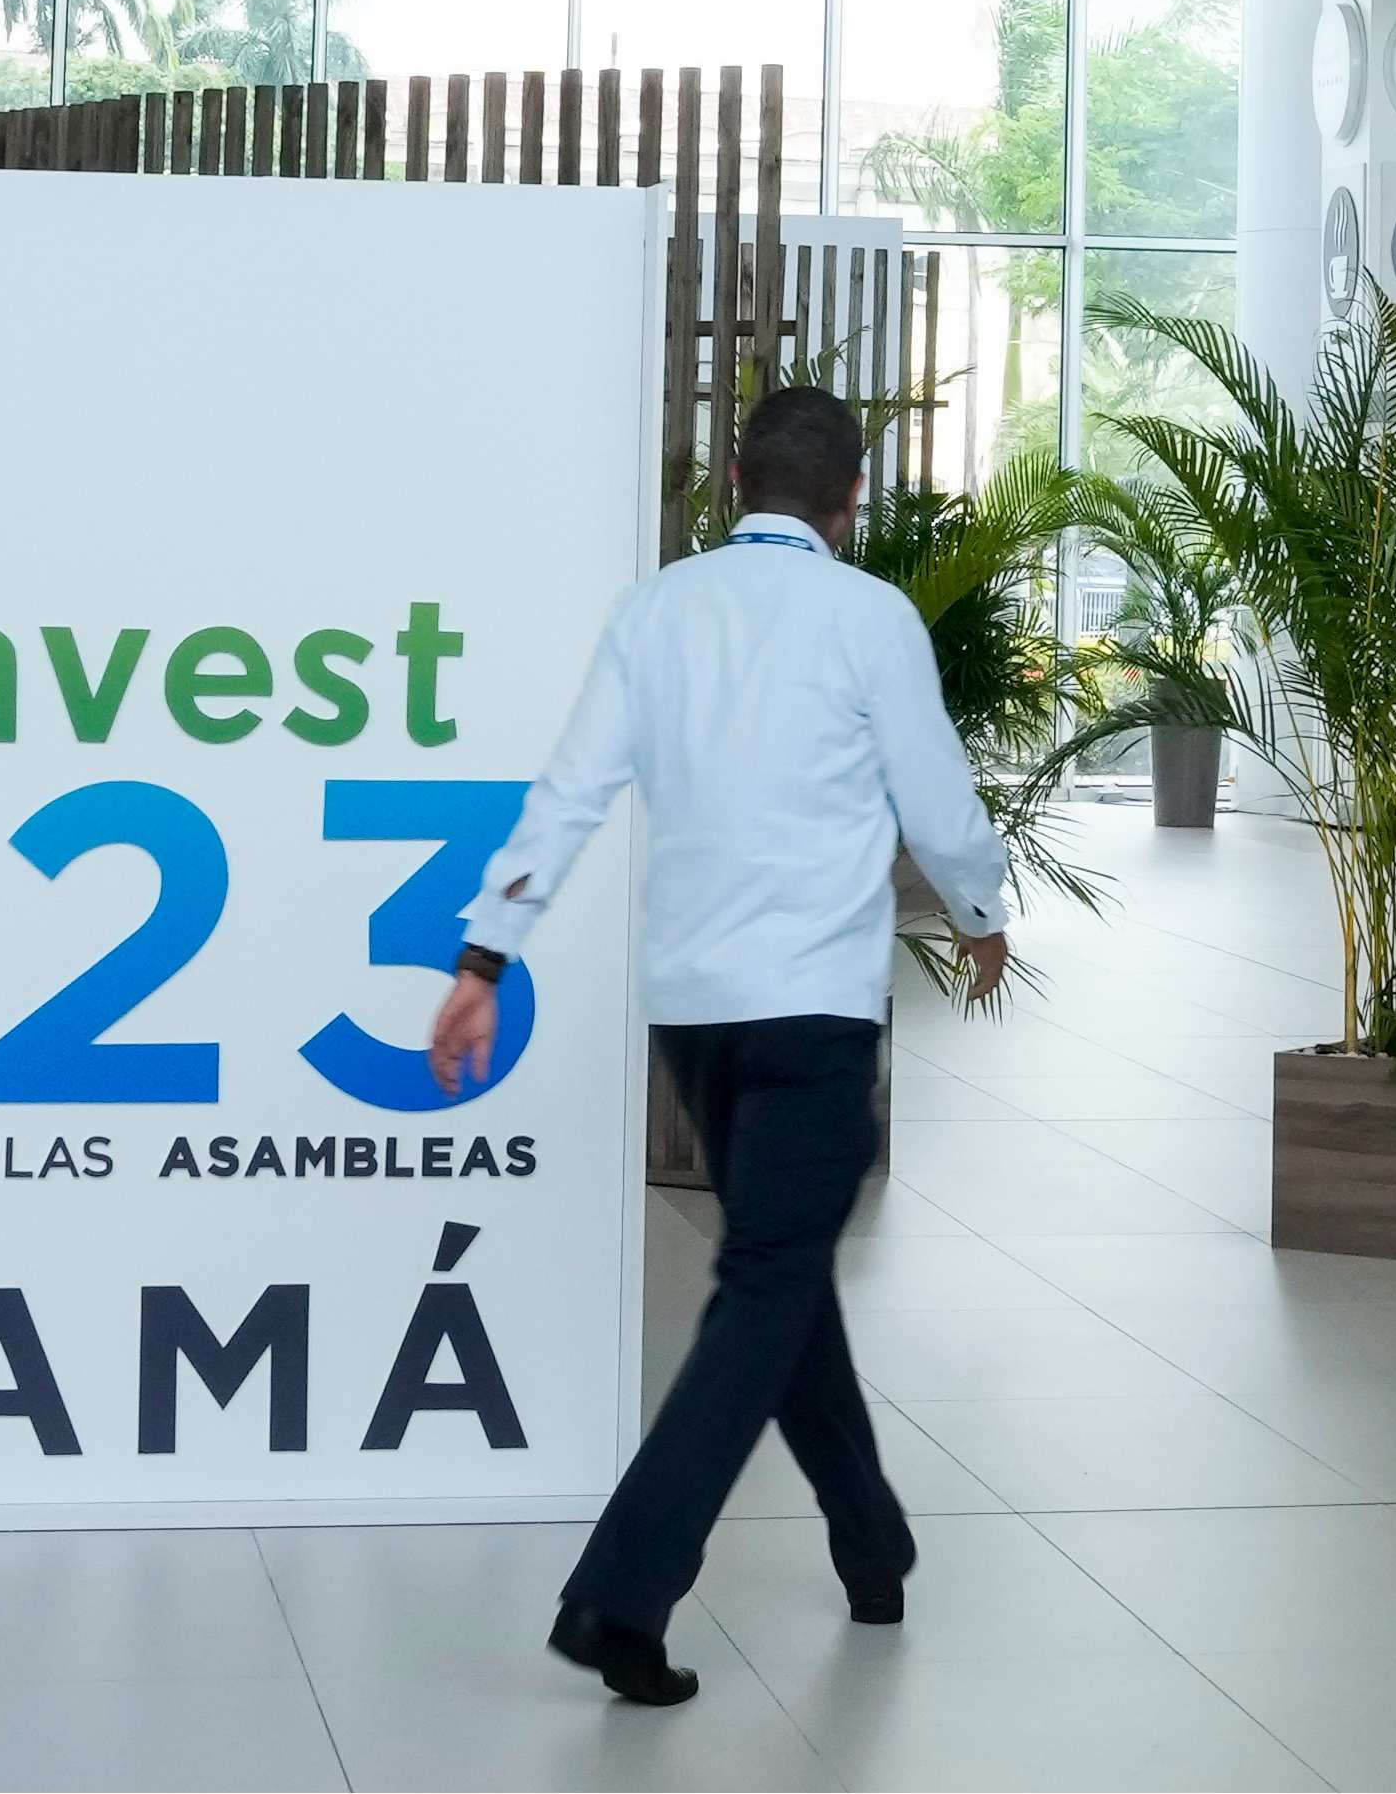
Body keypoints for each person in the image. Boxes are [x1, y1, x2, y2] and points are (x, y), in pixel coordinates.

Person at [430, 377, 1013, 1710]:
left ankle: (873, 1541)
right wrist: (983, 915)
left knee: (779, 1273)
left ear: (739, 484)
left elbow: (567, 792)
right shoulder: (870, 619)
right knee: (766, 1283)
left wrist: (481, 958)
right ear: (849, 498)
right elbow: (938, 796)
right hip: (812, 1011)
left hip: (692, 1015)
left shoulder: (657, 608)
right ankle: (619, 1593)